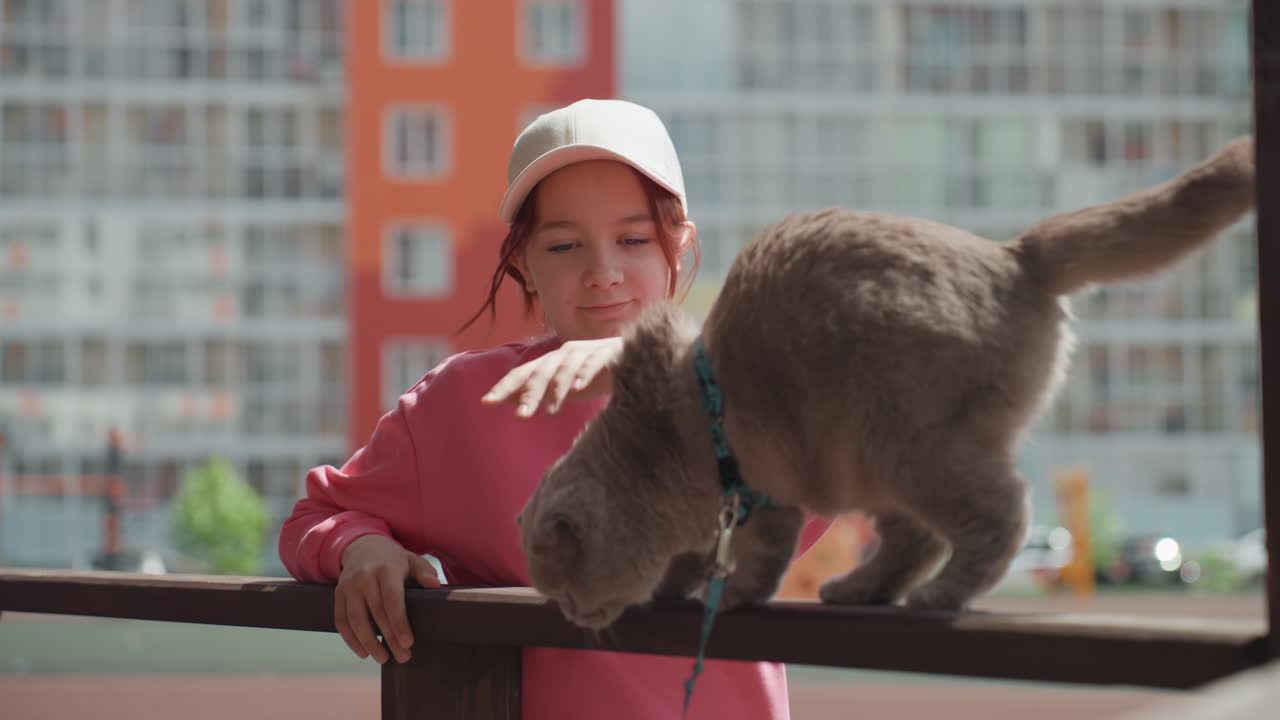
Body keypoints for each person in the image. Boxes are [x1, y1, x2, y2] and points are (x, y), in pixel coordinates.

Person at [279, 98, 829, 719]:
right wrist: (359, 548)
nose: (604, 272)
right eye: (566, 246)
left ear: (677, 247)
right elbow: (317, 516)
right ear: (523, 263)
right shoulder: (459, 406)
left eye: (633, 239)